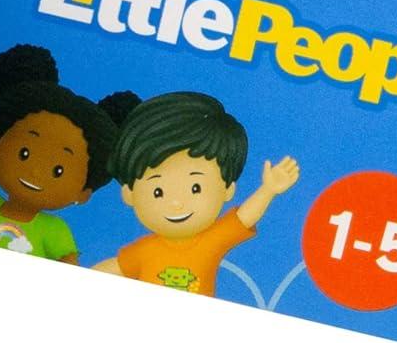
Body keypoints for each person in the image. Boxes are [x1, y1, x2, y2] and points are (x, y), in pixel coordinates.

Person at [0, 44, 138, 263]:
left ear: (83, 194)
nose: (36, 171)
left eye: (57, 170)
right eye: (24, 154)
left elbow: (69, 263)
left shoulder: (54, 229)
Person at [102, 91, 300, 295]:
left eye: (195, 188)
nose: (177, 203)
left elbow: (244, 217)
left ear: (228, 189)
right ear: (129, 194)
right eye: (158, 192)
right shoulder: (143, 250)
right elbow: (114, 268)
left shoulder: (212, 240)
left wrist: (268, 190)